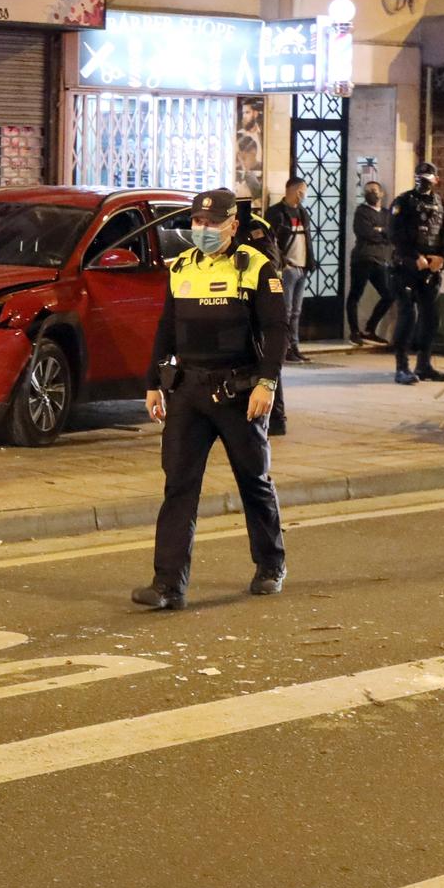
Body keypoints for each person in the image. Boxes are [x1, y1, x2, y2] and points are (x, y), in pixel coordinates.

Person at [133, 187, 287, 609]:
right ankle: (168, 585)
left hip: (237, 392)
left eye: (210, 223)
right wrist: (152, 383)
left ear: (232, 225)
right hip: (188, 392)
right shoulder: (181, 266)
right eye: (196, 222)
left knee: (253, 481)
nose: (201, 229)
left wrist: (266, 383)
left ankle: (270, 564)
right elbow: (167, 327)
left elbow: (277, 330)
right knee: (178, 485)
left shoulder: (256, 266)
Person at [389, 161, 444, 386]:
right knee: (408, 316)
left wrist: (442, 257)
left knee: (431, 318)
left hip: (431, 270)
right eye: (420, 177)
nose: (423, 182)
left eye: (427, 178)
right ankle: (401, 367)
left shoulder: (441, 203)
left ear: (436, 180)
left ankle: (424, 364)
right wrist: (415, 257)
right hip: (406, 268)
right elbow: (395, 235)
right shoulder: (403, 202)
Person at [240, 206, 288, 436]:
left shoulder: (254, 224)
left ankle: (277, 418)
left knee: (266, 357)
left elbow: (270, 260)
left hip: (260, 298)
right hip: (245, 300)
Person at [263, 176, 312, 363]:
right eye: (302, 191)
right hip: (287, 269)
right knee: (286, 310)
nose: (303, 195)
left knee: (296, 311)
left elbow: (307, 240)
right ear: (293, 191)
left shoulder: (302, 212)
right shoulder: (276, 213)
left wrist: (310, 263)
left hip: (302, 267)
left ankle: (295, 345)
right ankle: (283, 348)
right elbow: (271, 243)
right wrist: (282, 263)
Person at [347, 180, 393, 345]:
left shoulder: (387, 214)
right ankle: (354, 332)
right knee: (355, 294)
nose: (371, 193)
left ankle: (369, 328)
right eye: (367, 191)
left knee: (388, 295)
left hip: (380, 261)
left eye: (373, 190)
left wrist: (380, 230)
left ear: (381, 193)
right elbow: (365, 233)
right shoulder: (362, 211)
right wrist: (381, 232)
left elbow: (392, 234)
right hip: (363, 258)